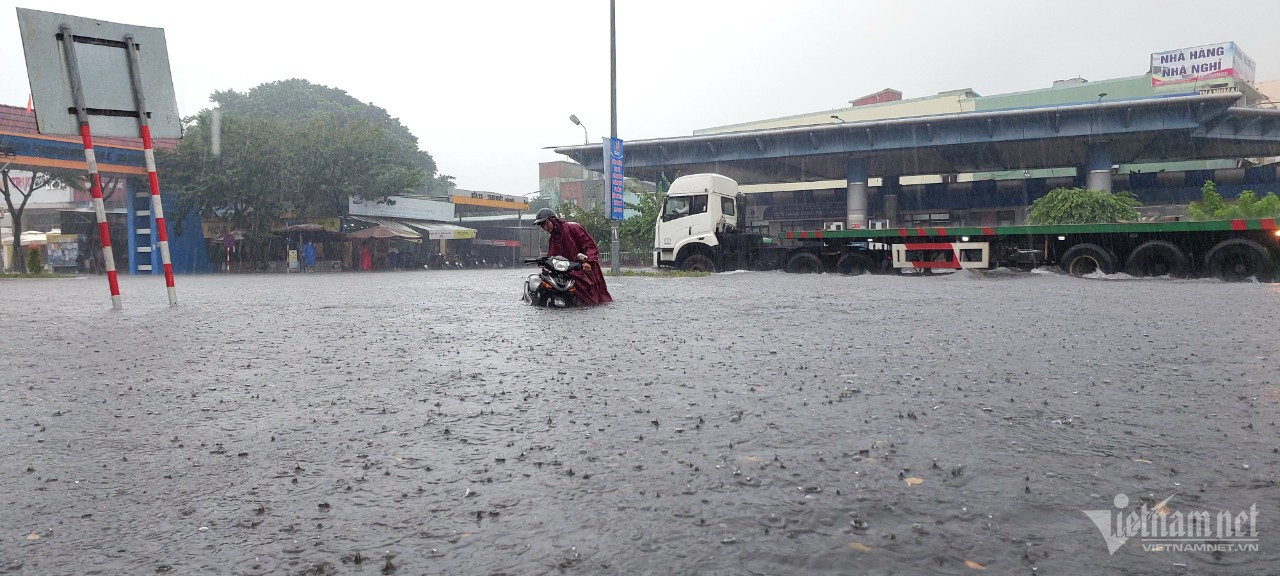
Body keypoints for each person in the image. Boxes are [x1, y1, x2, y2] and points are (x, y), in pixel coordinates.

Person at [534, 208, 612, 306]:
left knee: (590, 299)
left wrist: (588, 261)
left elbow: (590, 246)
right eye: (542, 226)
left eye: (545, 223)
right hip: (564, 273)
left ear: (552, 219)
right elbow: (552, 258)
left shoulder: (573, 228)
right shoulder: (553, 238)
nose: (545, 227)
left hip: (583, 270)